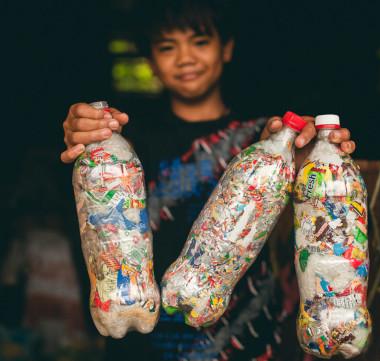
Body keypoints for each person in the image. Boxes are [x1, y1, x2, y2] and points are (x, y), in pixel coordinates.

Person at [61, 1, 355, 360]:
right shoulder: (131, 138)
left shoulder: (260, 137)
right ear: (150, 60)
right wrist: (88, 133)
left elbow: (315, 211)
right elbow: (100, 187)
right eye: (168, 47)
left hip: (247, 335)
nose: (185, 58)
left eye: (199, 41)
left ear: (226, 48)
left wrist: (311, 156)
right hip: (145, 332)